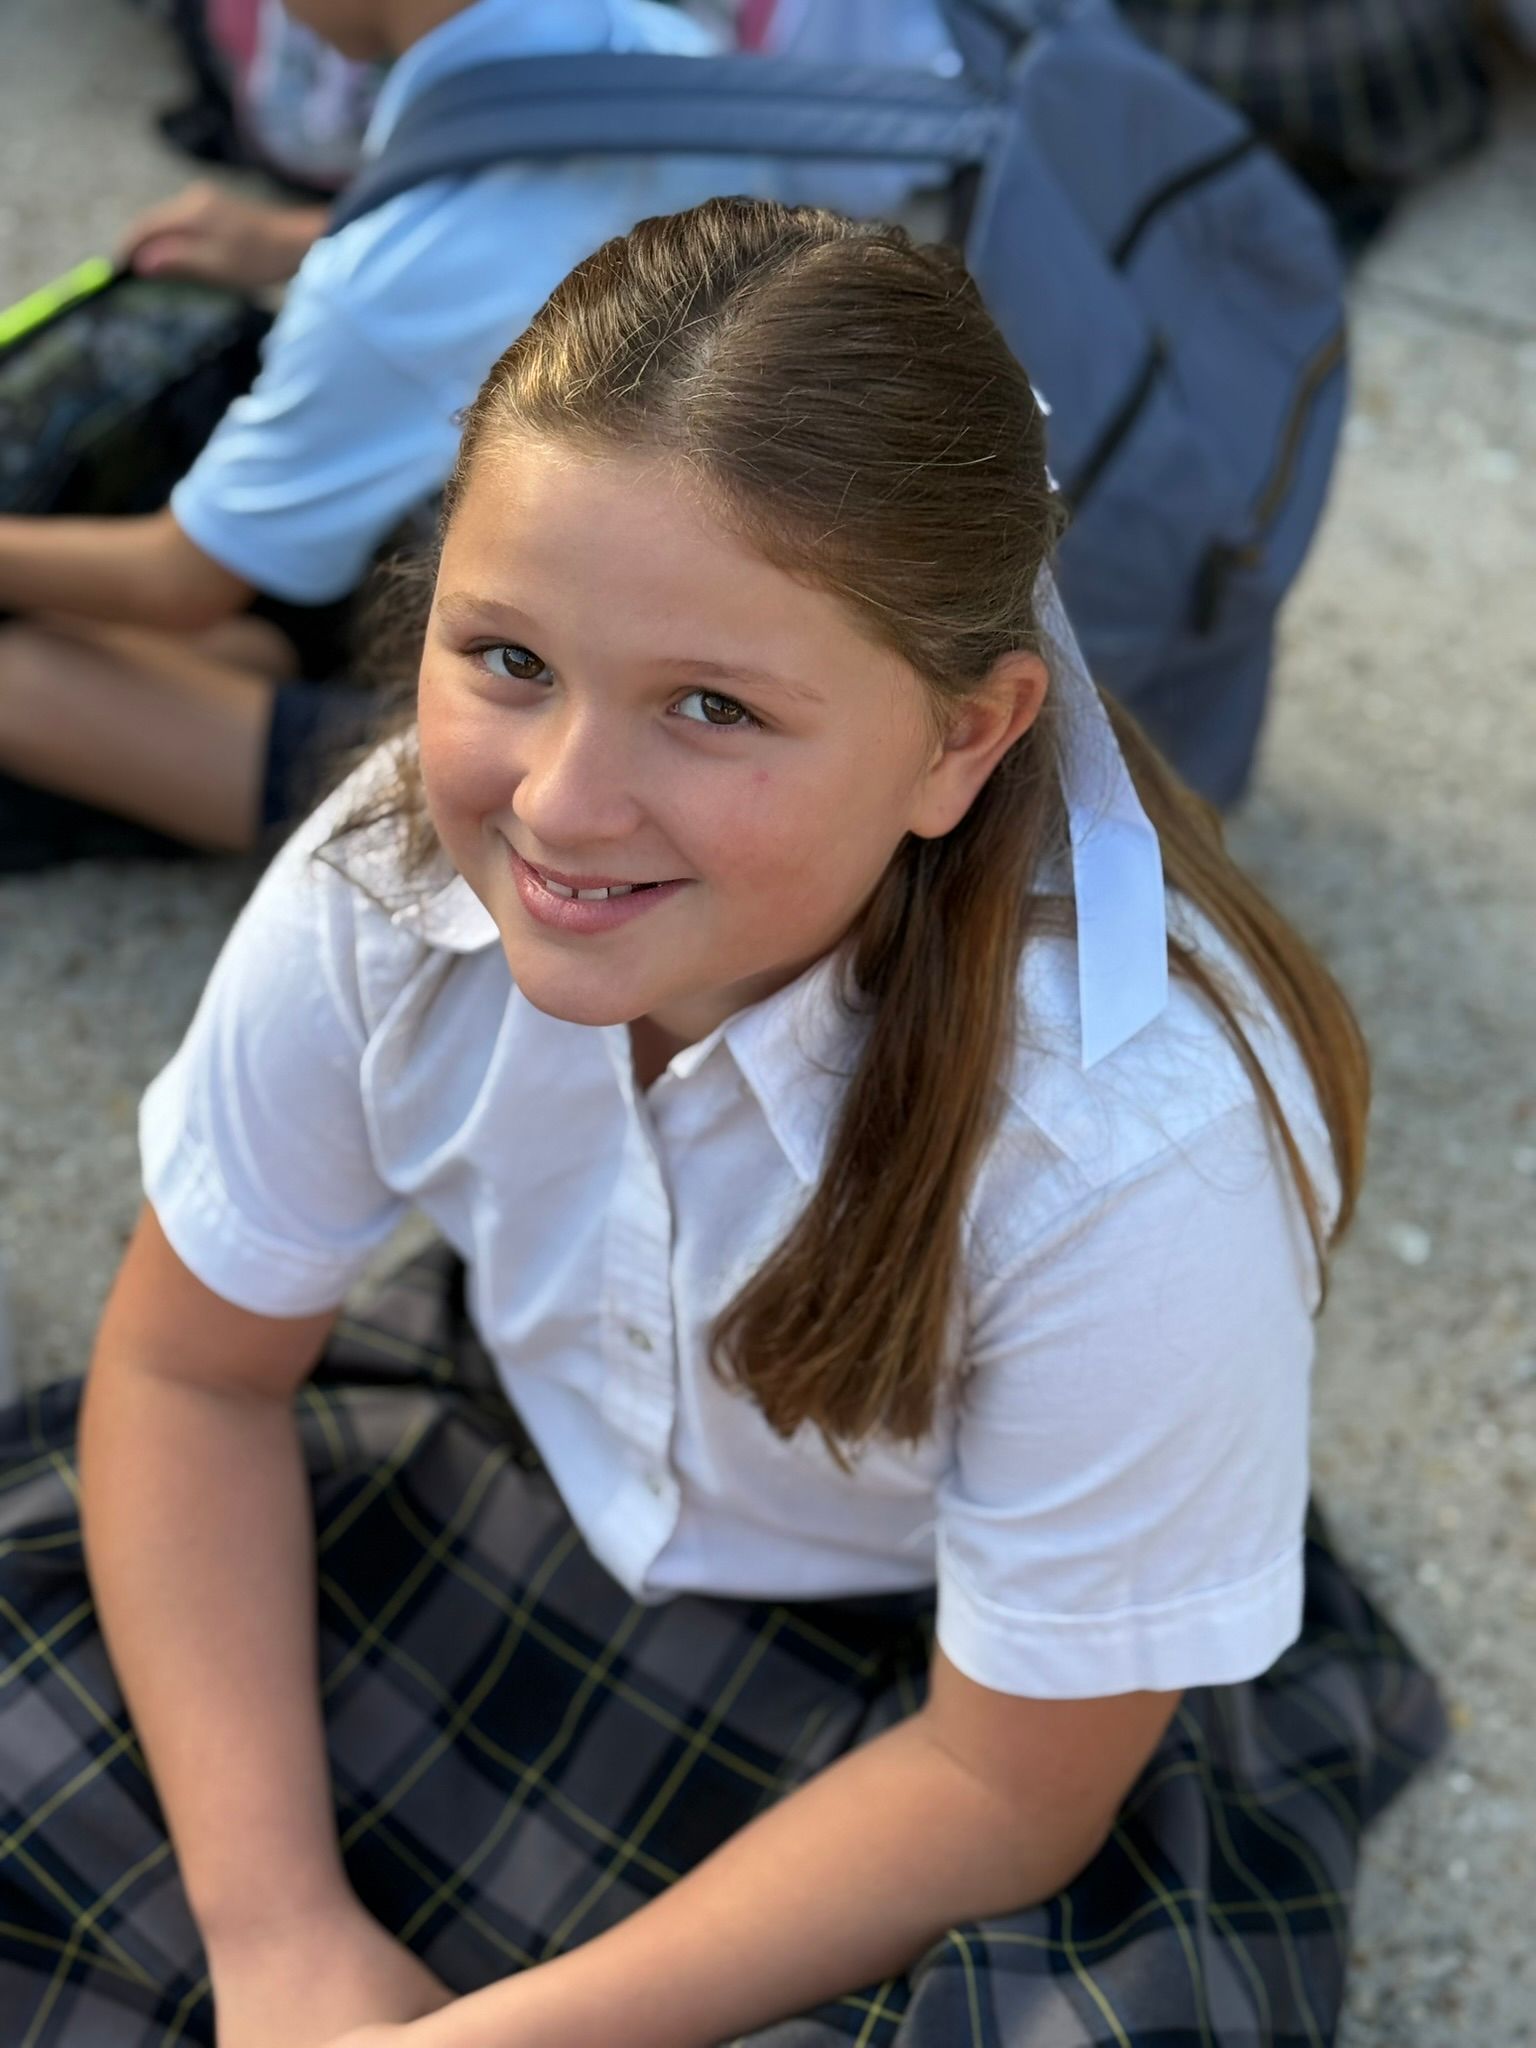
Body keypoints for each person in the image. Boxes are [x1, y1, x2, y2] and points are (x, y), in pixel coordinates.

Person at [0, 198, 1442, 2047]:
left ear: (964, 740)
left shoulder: (1132, 1151)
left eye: (712, 706)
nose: (561, 803)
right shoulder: (387, 880)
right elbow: (191, 1375)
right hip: (515, 1458)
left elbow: (1006, 1788)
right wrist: (276, 1933)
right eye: (508, 658)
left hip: (936, 1689)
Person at [0, 0, 775, 857]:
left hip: (568, 753)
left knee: (18, 679)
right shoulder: (652, 43)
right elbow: (528, 236)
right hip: (716, 625)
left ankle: (355, 773)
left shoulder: (379, 296)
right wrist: (300, 239)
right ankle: (263, 663)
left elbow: (181, 581)